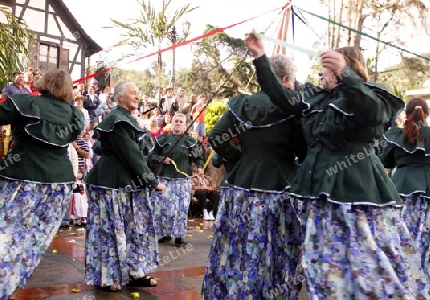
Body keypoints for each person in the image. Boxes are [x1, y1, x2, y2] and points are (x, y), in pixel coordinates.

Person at [246, 32, 430, 299]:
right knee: (321, 262)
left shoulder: (371, 96)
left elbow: (373, 115)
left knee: (369, 264)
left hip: (357, 194)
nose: (321, 74)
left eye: (328, 69)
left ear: (348, 69)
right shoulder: (317, 98)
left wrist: (346, 75)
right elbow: (283, 97)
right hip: (318, 191)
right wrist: (260, 57)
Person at [202, 54, 305, 299]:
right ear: (285, 79)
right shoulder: (293, 107)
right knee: (276, 249)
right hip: (280, 188)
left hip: (241, 187)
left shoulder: (242, 104)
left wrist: (239, 158)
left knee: (236, 246)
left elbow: (216, 135)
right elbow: (304, 151)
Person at [0, 68, 84, 299]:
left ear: (43, 82)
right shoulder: (75, 114)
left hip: (23, 177)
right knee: (35, 239)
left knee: (7, 233)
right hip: (59, 184)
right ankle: (8, 284)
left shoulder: (24, 102)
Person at [84, 81, 165, 291]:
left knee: (134, 229)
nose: (137, 96)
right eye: (132, 93)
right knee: (111, 230)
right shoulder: (118, 120)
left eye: (138, 93)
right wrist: (152, 181)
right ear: (119, 97)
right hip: (110, 183)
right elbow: (132, 156)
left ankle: (134, 272)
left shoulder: (129, 119)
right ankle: (108, 277)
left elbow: (112, 147)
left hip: (129, 184)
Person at [380, 97, 430, 297]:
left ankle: (407, 288)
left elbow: (385, 164)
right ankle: (426, 288)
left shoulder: (395, 136)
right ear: (427, 115)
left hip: (403, 194)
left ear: (405, 114)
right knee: (428, 246)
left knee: (403, 244)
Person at [150, 113, 205, 247]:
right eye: (176, 121)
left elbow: (199, 157)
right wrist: (162, 159)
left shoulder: (189, 141)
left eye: (181, 121)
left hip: (183, 180)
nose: (178, 123)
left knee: (181, 209)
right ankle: (166, 234)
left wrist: (199, 167)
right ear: (171, 123)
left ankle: (179, 237)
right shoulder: (161, 139)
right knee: (165, 208)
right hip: (165, 179)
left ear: (185, 125)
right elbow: (151, 155)